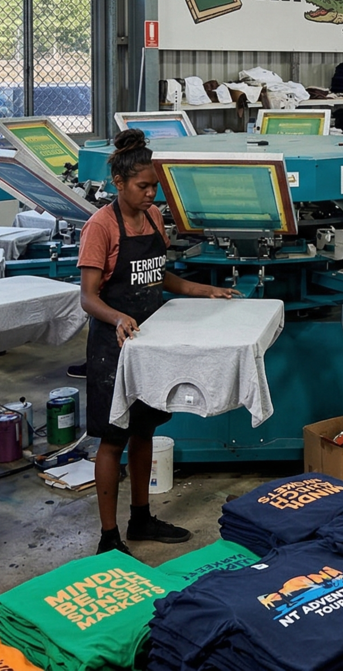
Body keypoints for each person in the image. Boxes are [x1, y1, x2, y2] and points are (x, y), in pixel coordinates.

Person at [78, 129, 240, 555]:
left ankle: (142, 518)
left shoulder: (152, 220)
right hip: (113, 348)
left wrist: (203, 290)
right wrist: (119, 318)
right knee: (113, 438)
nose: (152, 195)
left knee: (145, 430)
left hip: (152, 344)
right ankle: (109, 537)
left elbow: (157, 275)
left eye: (155, 186)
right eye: (143, 186)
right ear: (118, 183)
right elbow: (88, 297)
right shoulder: (101, 227)